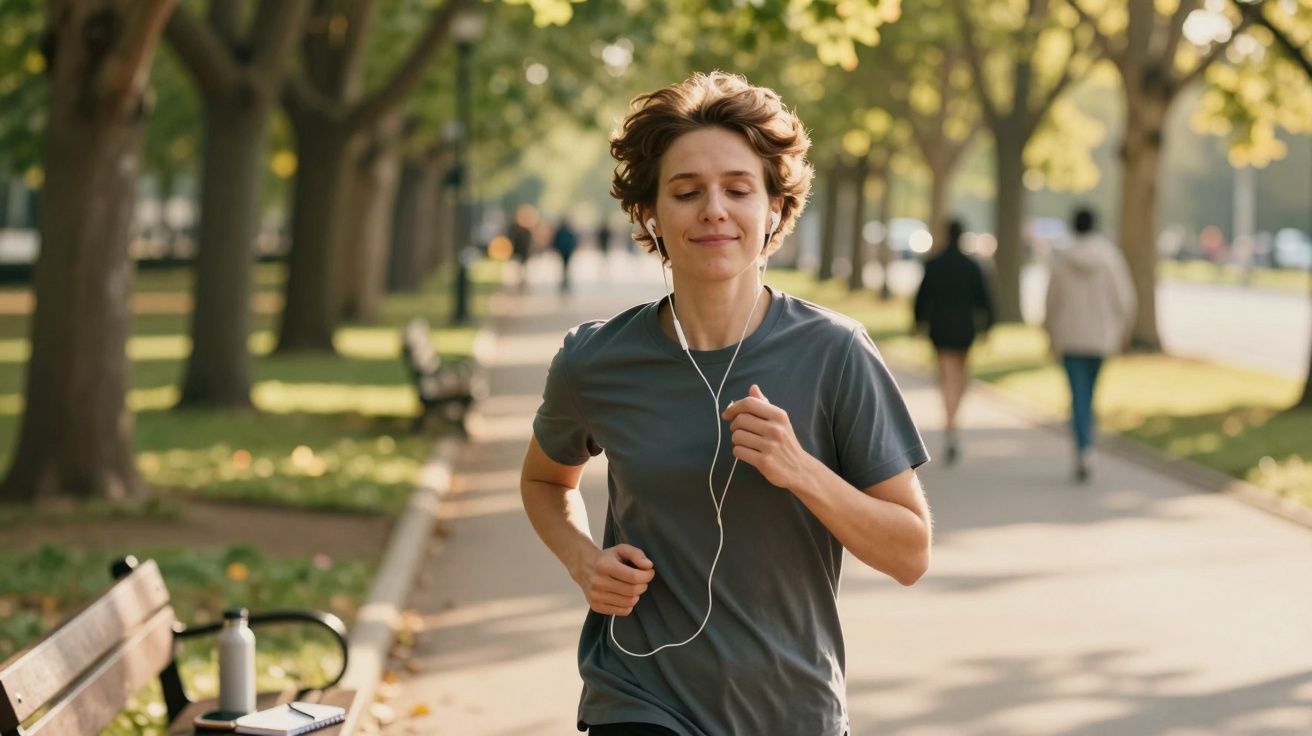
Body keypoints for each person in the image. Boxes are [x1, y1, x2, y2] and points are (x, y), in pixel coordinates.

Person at [520, 71, 932, 736]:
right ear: (651, 214)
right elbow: (544, 478)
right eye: (686, 192)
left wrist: (802, 471)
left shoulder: (836, 353)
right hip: (637, 695)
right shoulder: (596, 361)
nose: (714, 209)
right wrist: (582, 559)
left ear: (775, 209)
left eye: (738, 189)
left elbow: (910, 552)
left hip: (792, 708)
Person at [1044, 207, 1136, 482]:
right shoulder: (1110, 258)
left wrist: (1049, 332)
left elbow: (1052, 300)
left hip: (1070, 337)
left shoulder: (1062, 259)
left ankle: (1083, 446)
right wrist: (1123, 331)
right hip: (1101, 337)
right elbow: (1124, 298)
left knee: (1078, 395)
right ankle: (1087, 444)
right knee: (1090, 394)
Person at [912, 219, 995, 465]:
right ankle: (953, 421)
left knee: (946, 374)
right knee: (961, 376)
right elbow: (985, 299)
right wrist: (988, 327)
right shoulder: (972, 266)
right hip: (964, 329)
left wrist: (918, 322)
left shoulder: (934, 264)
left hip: (940, 328)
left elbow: (922, 296)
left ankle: (949, 422)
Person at [508, 204, 537, 291]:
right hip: (518, 250)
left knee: (523, 265)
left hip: (523, 251)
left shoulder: (526, 229)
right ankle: (520, 278)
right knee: (519, 265)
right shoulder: (515, 228)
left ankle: (522, 278)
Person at [552, 217, 579, 292]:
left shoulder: (565, 232)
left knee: (565, 265)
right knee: (564, 265)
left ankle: (565, 279)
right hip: (564, 251)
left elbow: (573, 242)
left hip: (566, 251)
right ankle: (565, 279)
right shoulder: (564, 232)